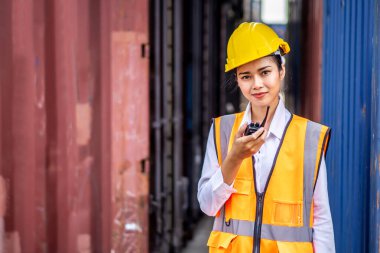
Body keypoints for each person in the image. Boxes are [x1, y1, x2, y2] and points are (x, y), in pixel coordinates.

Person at [197, 22, 335, 253]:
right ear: (237, 80)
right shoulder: (222, 130)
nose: (257, 84)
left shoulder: (309, 137)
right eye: (246, 76)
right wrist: (234, 158)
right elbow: (207, 206)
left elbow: (321, 220)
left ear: (281, 71)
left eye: (265, 72)